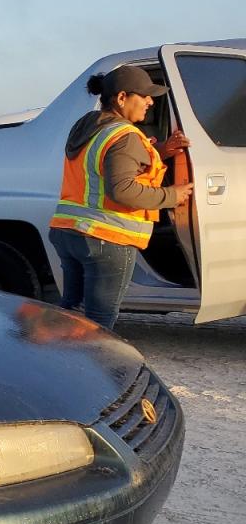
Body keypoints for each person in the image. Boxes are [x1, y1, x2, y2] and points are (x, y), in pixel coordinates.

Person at [47, 65, 194, 330]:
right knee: (99, 324)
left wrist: (160, 150)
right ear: (122, 98)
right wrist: (172, 196)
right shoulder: (124, 136)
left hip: (69, 231)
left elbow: (106, 164)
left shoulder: (88, 125)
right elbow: (123, 189)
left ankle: (61, 365)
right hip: (105, 239)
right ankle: (91, 370)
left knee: (72, 314)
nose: (151, 101)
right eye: (145, 95)